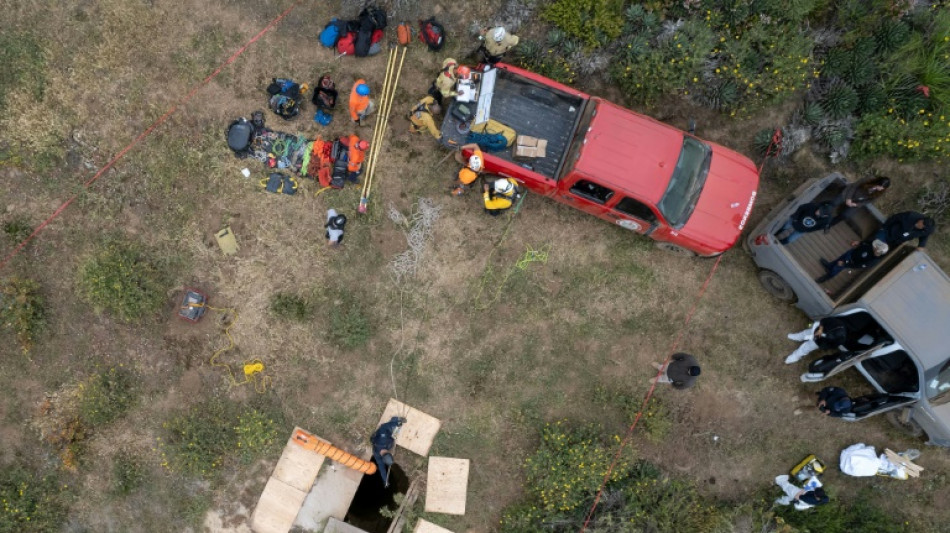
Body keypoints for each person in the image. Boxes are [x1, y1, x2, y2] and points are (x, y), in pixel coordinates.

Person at [815, 239, 888, 283]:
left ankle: (827, 276)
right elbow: (869, 242)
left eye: (875, 247)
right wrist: (859, 242)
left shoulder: (873, 261)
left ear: (878, 251)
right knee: (838, 260)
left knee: (837, 267)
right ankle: (829, 266)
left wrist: (845, 264)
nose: (873, 246)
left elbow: (858, 266)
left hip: (851, 261)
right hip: (852, 252)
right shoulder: (875, 244)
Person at [371, 416, 406, 487]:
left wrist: (396, 424)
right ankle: (397, 422)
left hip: (384, 434)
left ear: (389, 453)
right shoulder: (378, 454)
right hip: (388, 438)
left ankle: (396, 419)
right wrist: (385, 480)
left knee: (392, 425)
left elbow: (384, 426)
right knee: (393, 439)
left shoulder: (382, 440)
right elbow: (382, 468)